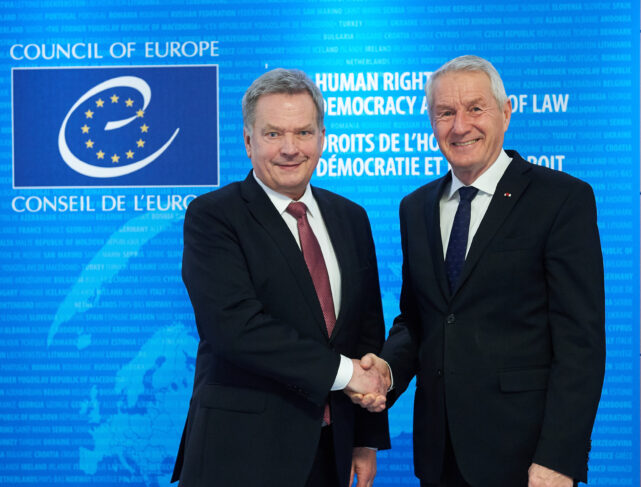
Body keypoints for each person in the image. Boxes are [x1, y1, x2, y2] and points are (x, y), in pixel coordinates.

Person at [354, 55, 606, 486]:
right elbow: (420, 319)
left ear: (506, 112)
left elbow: (580, 344)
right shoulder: (415, 208)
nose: (460, 125)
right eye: (445, 113)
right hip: (439, 454)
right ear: (431, 122)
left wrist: (559, 458)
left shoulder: (561, 200)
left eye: (475, 108)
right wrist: (387, 372)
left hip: (526, 460)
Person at [171, 68, 390, 487]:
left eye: (304, 133)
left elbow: (366, 331)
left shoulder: (351, 217)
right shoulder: (214, 216)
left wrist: (365, 439)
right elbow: (236, 328)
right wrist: (347, 375)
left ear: (322, 137)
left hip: (332, 451)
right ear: (249, 141)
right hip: (241, 455)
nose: (290, 148)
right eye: (273, 134)